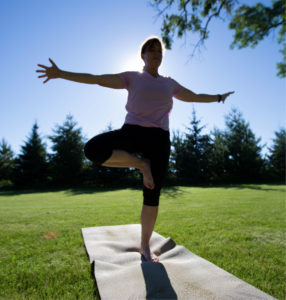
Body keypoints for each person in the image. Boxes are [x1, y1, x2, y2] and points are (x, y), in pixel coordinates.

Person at [36, 36, 234, 262]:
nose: (156, 53)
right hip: (131, 132)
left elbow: (195, 97)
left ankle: (145, 246)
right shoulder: (132, 78)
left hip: (159, 139)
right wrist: (61, 73)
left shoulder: (170, 83)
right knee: (93, 149)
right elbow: (97, 79)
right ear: (143, 55)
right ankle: (141, 164)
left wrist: (218, 97)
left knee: (152, 195)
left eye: (159, 50)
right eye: (151, 50)